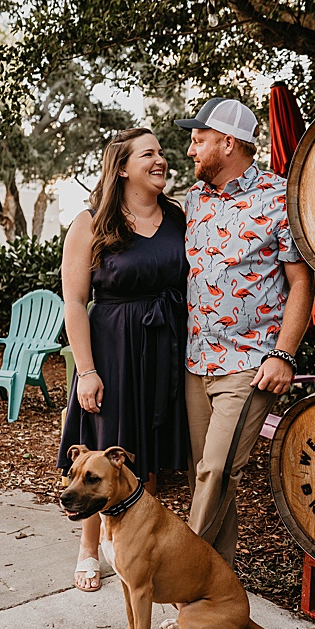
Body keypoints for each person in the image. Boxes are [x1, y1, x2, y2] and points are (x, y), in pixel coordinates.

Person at [176, 98, 313, 565]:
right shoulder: (193, 202)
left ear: (227, 143)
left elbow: (301, 284)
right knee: (212, 480)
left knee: (216, 472)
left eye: (198, 140)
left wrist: (284, 355)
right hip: (197, 364)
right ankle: (219, 590)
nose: (191, 150)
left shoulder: (279, 199)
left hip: (251, 366)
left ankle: (178, 573)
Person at [55, 129, 190, 592]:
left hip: (164, 346)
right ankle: (89, 550)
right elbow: (74, 301)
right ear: (123, 167)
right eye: (148, 154)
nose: (161, 160)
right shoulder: (91, 223)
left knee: (146, 454)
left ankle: (137, 548)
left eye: (160, 153)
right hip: (112, 347)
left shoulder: (176, 217)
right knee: (103, 446)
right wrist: (87, 371)